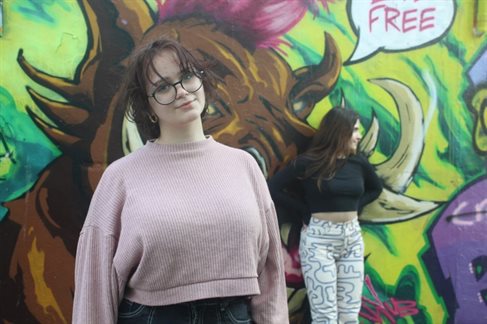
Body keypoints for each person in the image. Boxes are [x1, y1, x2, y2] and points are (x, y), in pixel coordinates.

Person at [72, 37, 289, 324]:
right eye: (162, 87)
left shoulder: (244, 166)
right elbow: (95, 284)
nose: (182, 91)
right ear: (147, 107)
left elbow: (271, 273)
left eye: (187, 76)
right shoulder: (121, 177)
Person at [268, 107, 383, 323]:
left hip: (351, 241)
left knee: (349, 316)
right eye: (355, 130)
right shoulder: (308, 162)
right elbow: (272, 188)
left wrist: (354, 207)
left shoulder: (358, 163)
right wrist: (303, 210)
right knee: (325, 317)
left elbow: (376, 189)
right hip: (319, 242)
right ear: (340, 131)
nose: (358, 136)